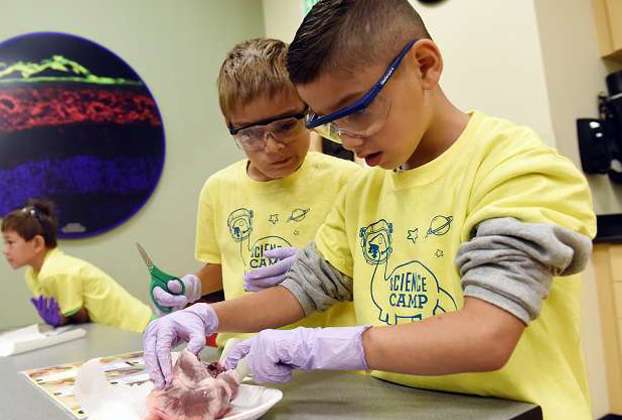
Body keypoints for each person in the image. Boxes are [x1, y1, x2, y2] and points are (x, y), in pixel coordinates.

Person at [143, 1, 596, 418]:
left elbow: (487, 334)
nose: (348, 138)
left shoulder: (518, 171)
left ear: (424, 66)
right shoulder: (366, 192)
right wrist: (205, 316)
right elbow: (301, 291)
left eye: (356, 111)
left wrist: (321, 346)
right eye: (328, 122)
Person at [150, 37, 360, 346]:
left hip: (328, 358)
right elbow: (223, 264)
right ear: (230, 125)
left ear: (308, 108)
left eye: (287, 126)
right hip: (241, 355)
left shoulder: (350, 181)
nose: (272, 147)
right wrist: (192, 286)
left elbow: (372, 271)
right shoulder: (218, 190)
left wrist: (324, 267)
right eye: (251, 134)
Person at [1, 198, 152, 332]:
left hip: (140, 329)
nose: (5, 251)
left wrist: (61, 319)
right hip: (129, 330)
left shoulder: (55, 271)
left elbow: (80, 318)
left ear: (37, 243)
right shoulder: (33, 274)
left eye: (10, 242)